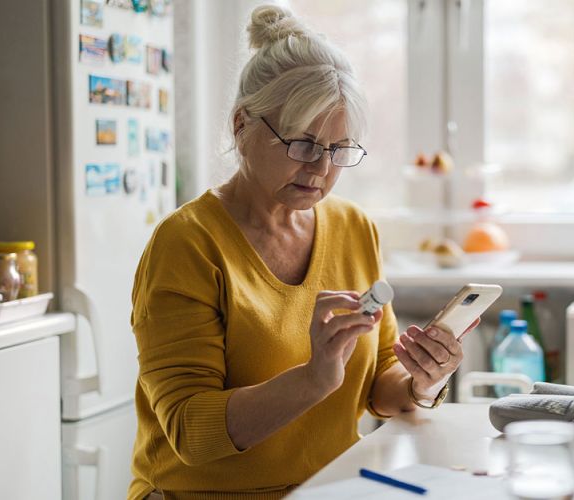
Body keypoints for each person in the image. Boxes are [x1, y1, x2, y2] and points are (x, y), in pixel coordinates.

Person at [127, 6, 475, 499]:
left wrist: (423, 380)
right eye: (303, 144)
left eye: (339, 149)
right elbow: (189, 432)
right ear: (241, 126)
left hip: (327, 490)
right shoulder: (187, 244)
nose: (322, 169)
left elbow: (379, 386)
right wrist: (313, 379)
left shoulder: (354, 228)